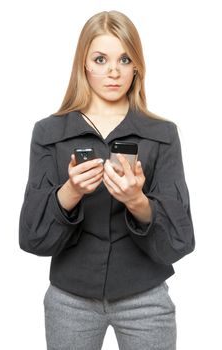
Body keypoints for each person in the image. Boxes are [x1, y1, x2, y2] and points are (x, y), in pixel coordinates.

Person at [19, 10, 195, 350]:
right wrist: (69, 193)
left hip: (145, 296)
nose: (113, 71)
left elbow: (180, 240)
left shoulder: (162, 134)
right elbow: (32, 238)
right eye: (101, 59)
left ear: (136, 67)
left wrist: (137, 202)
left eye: (124, 59)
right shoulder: (49, 133)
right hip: (69, 299)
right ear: (84, 64)